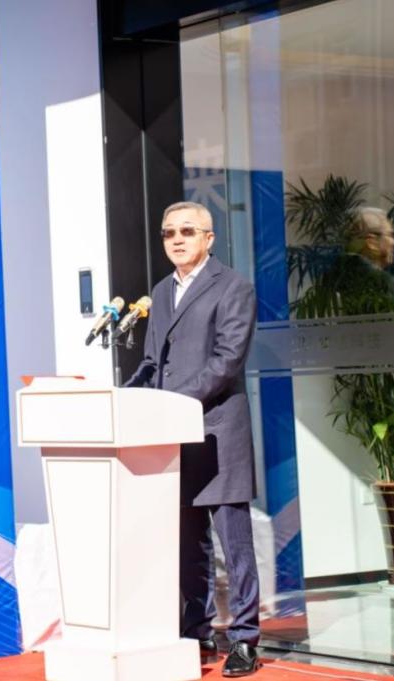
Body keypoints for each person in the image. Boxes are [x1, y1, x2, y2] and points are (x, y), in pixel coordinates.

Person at [125, 201, 261, 677]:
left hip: (217, 431)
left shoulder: (234, 287)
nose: (177, 240)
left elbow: (227, 359)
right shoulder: (162, 292)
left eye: (187, 231)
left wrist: (172, 403)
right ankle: (198, 629)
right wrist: (127, 396)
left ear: (209, 238)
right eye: (168, 233)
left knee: (234, 544)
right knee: (188, 544)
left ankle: (244, 639)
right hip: (174, 438)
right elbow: (152, 362)